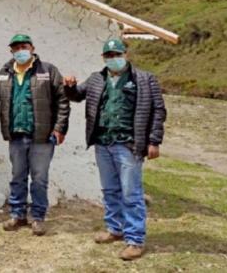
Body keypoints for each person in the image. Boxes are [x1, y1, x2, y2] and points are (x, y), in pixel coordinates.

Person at [64, 38, 166, 261]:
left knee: (131, 193)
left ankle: (135, 240)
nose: (113, 59)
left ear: (125, 54)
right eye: (108, 55)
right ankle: (115, 228)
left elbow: (158, 111)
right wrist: (69, 87)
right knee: (110, 190)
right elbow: (77, 95)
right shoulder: (96, 78)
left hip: (129, 144)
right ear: (103, 58)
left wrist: (154, 141)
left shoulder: (145, 79)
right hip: (103, 142)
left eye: (116, 54)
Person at [0, 33, 69, 236]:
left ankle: (38, 218)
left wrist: (59, 128)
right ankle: (17, 214)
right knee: (18, 177)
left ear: (32, 47)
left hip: (42, 136)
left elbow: (62, 100)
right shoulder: (5, 71)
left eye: (24, 46)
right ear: (11, 51)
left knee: (39, 178)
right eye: (16, 48)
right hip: (16, 134)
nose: (20, 51)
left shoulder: (48, 70)